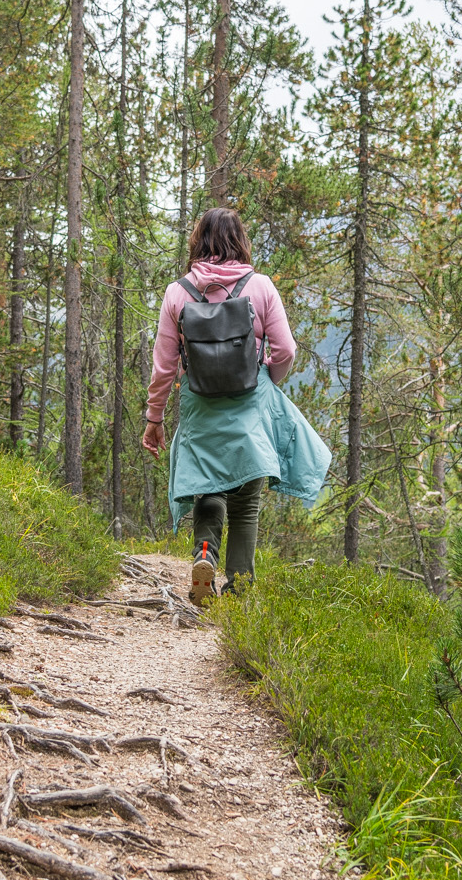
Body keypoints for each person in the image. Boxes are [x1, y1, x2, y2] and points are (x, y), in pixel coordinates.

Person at [142, 208, 331, 605]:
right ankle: (241, 587)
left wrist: (154, 418)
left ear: (199, 242)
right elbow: (285, 350)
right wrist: (265, 382)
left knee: (207, 487)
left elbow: (164, 365)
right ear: (239, 241)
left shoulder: (178, 293)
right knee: (246, 500)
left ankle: (205, 554)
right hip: (251, 405)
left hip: (199, 405)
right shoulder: (259, 286)